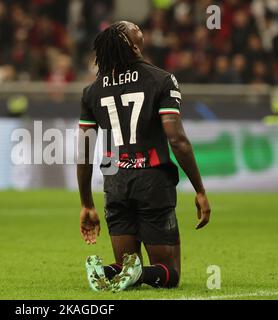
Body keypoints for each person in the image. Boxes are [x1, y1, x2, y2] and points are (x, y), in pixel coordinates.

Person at [77, 21, 211, 292]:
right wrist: (199, 189)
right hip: (152, 181)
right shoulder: (162, 80)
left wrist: (86, 204)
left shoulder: (92, 91)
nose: (139, 27)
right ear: (135, 47)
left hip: (114, 181)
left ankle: (104, 270)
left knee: (128, 265)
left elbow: (84, 151)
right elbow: (177, 139)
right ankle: (131, 273)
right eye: (135, 28)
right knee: (169, 274)